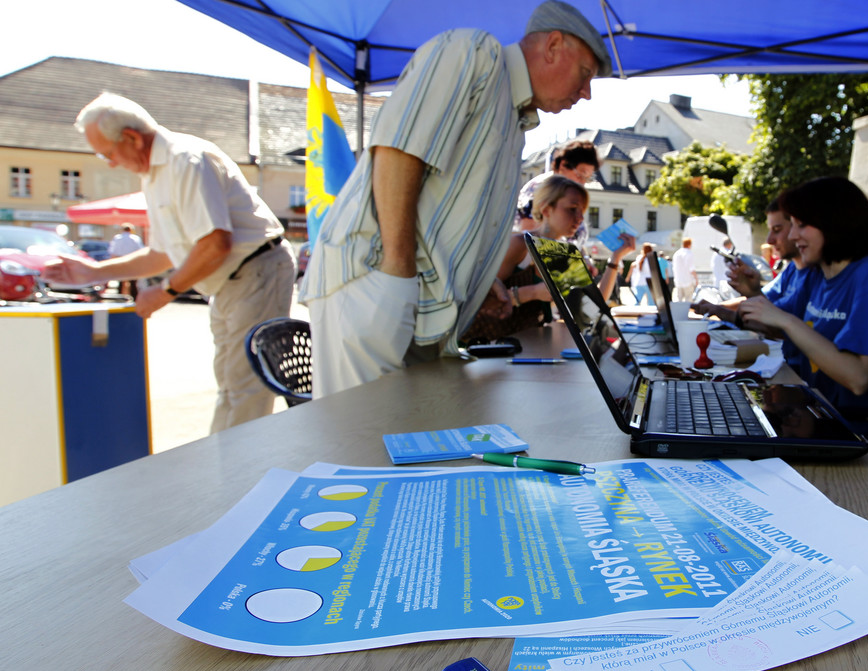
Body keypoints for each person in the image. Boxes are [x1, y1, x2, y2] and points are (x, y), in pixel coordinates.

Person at [298, 0, 612, 398]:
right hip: (377, 275)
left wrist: (479, 283)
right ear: (552, 46)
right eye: (585, 74)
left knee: (398, 442)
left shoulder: (514, 116)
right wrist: (398, 271)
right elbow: (398, 151)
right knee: (358, 440)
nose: (585, 94)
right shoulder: (475, 52)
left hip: (414, 295)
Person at [44, 93, 296, 433]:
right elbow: (162, 254)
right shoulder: (155, 173)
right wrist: (95, 271)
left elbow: (214, 243)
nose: (111, 163)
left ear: (132, 138)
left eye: (108, 154)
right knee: (232, 385)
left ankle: (237, 479)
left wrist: (165, 291)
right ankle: (227, 471)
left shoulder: (185, 160)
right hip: (232, 280)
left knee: (244, 387)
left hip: (254, 269)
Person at [737, 177, 868, 412]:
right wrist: (753, 293)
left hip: (858, 431)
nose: (793, 236)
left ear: (834, 222)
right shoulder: (817, 275)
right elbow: (782, 329)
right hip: (815, 411)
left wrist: (786, 320)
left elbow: (859, 379)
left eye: (802, 224)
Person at [461, 175, 634, 343]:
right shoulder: (520, 245)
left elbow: (592, 306)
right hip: (492, 350)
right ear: (546, 209)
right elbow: (480, 300)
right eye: (572, 208)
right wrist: (534, 292)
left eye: (582, 211)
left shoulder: (565, 252)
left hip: (532, 348)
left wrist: (616, 258)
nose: (580, 218)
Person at [692, 197, 809, 372]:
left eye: (777, 229)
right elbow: (767, 312)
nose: (769, 239)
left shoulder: (815, 275)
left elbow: (777, 328)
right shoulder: (793, 270)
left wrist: (720, 309)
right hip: (788, 370)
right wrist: (751, 293)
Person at [514, 140, 600, 239]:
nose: (583, 182)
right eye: (580, 174)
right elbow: (530, 240)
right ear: (563, 165)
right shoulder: (540, 189)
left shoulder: (568, 193)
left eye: (587, 178)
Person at [107, 223, 145, 297]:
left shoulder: (117, 238)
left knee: (121, 281)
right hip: (133, 260)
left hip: (120, 260)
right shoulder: (135, 238)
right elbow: (141, 250)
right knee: (133, 282)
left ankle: (120, 297)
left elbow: (113, 251)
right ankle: (134, 298)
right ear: (130, 230)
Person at [671, 237, 698, 302]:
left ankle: (678, 311)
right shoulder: (689, 253)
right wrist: (696, 279)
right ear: (689, 244)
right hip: (687, 280)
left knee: (679, 299)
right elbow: (691, 268)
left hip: (678, 280)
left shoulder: (676, 253)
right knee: (688, 299)